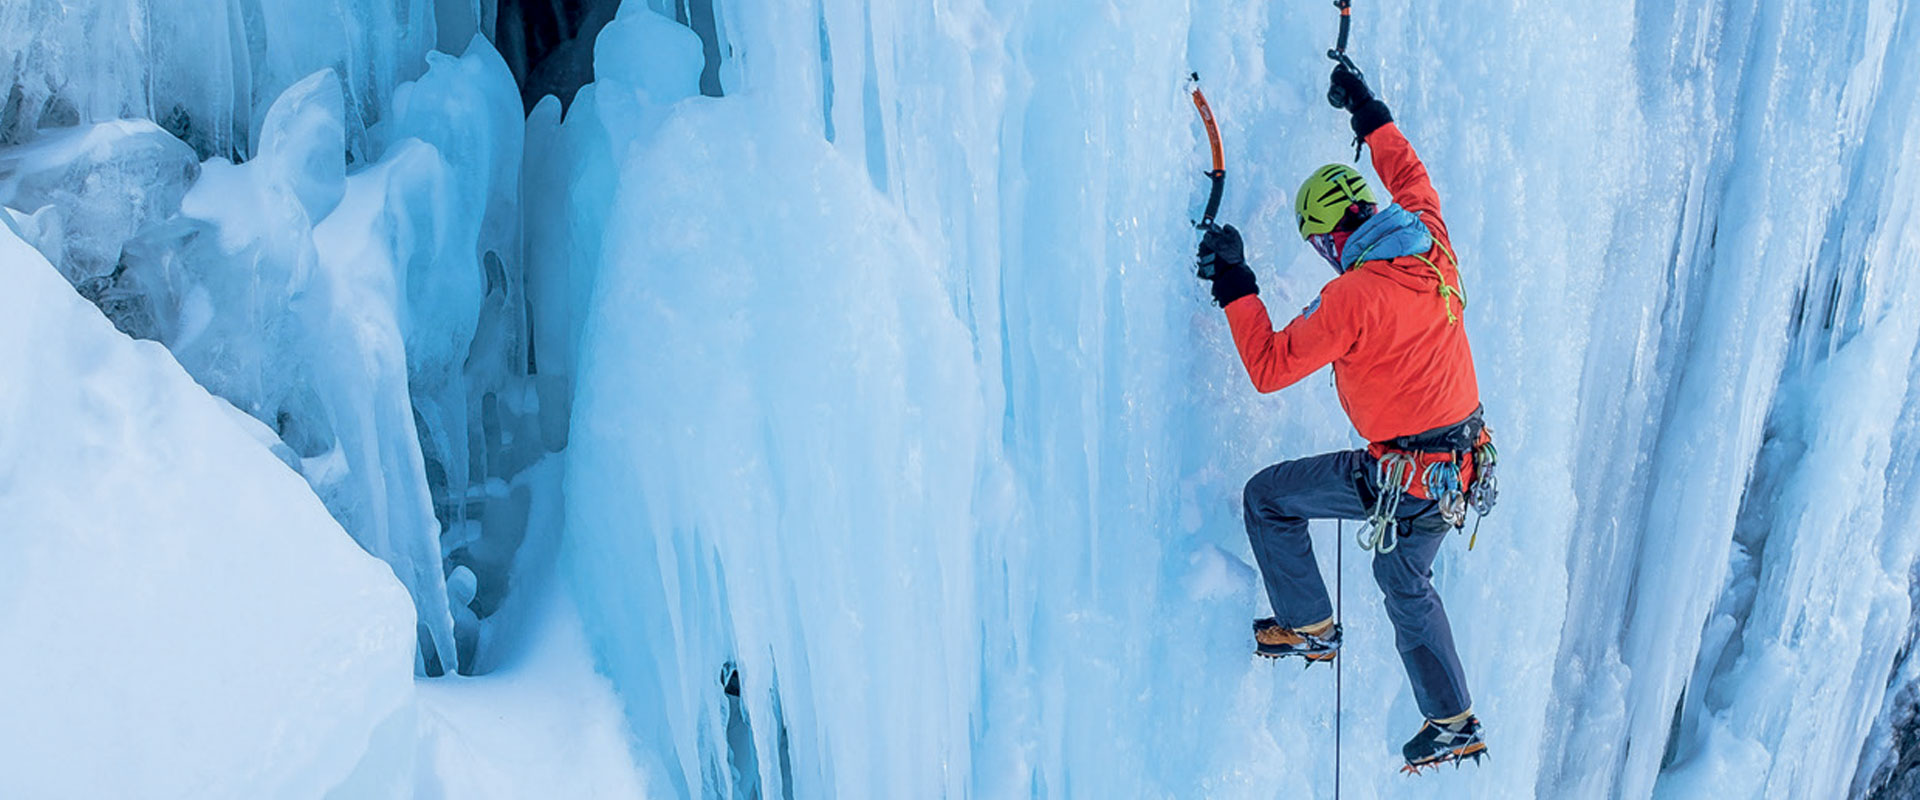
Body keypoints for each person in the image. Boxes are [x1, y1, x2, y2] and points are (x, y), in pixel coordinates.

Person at [1195, 60, 1489, 772]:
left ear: (1330, 240)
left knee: (1269, 499)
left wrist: (1234, 278)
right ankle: (1452, 720)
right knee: (1402, 579)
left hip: (1403, 474)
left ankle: (1310, 627)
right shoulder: (1430, 241)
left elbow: (1268, 367)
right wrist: (1365, 105)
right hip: (1457, 468)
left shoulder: (1354, 298)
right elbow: (1409, 173)